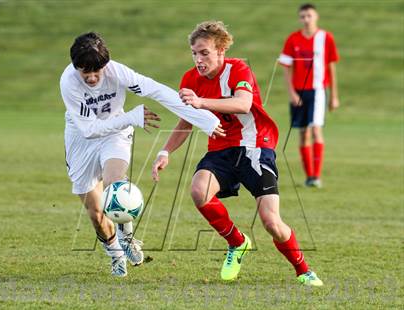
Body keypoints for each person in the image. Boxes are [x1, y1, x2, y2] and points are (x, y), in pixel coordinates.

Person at [152, 21, 323, 286]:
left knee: (271, 222)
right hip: (220, 150)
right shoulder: (190, 79)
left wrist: (201, 102)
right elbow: (186, 121)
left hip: (255, 147)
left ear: (221, 51)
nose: (199, 59)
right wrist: (165, 152)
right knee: (199, 191)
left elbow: (243, 104)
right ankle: (237, 243)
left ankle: (303, 270)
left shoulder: (238, 69)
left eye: (205, 53)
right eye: (195, 53)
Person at [60, 32, 223, 277]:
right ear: (76, 68)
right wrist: (131, 117)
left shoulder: (116, 72)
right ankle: (115, 253)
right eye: (86, 73)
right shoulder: (69, 82)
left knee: (115, 186)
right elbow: (89, 129)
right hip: (81, 140)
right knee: (95, 213)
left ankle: (127, 238)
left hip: (115, 134)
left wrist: (204, 118)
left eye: (98, 71)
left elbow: (157, 91)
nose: (92, 78)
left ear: (106, 65)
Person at [279, 3, 340, 188]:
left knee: (316, 130)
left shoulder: (325, 38)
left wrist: (334, 96)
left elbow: (331, 67)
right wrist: (291, 93)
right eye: (303, 16)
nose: (306, 19)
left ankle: (316, 176)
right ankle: (309, 176)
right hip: (299, 92)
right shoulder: (293, 39)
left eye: (309, 16)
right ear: (300, 18)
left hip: (318, 91)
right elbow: (286, 68)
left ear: (316, 17)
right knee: (303, 132)